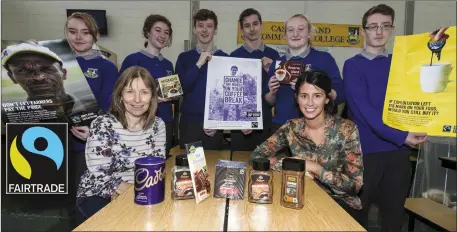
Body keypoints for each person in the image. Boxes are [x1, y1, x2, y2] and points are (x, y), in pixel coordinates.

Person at [342, 4, 430, 231]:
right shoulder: (352, 66)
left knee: (393, 217)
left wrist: (436, 45)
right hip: (365, 153)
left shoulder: (401, 64)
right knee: (356, 216)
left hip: (398, 154)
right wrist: (402, 137)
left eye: (385, 26)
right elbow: (364, 111)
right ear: (363, 31)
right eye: (373, 26)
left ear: (392, 29)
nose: (379, 31)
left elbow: (421, 94)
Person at [250, 70, 363, 223]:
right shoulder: (291, 128)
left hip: (339, 205)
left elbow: (355, 186)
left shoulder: (347, 130)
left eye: (317, 96)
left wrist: (314, 168)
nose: (310, 103)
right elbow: (257, 156)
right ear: (297, 99)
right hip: (299, 199)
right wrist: (291, 165)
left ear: (327, 99)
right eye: (304, 96)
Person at [75, 66, 166, 226]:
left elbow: (156, 167)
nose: (137, 100)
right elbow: (100, 175)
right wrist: (134, 193)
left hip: (139, 192)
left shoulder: (158, 125)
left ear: (152, 96)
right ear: (120, 96)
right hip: (98, 193)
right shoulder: (103, 124)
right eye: (130, 92)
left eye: (144, 92)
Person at [64, 11, 119, 218]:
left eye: (85, 33)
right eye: (72, 32)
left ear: (95, 36)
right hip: (55, 141)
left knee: (85, 199)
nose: (78, 37)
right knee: (61, 198)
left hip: (85, 144)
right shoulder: (55, 63)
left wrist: (93, 132)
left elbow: (108, 108)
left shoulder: (106, 66)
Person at [265, 14, 345, 135]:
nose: (295, 34)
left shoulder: (324, 59)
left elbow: (340, 96)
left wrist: (312, 86)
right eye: (290, 30)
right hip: (281, 127)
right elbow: (269, 102)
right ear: (285, 35)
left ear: (309, 34)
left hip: (316, 129)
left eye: (301, 29)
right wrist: (272, 92)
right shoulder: (276, 64)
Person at [119, 14, 176, 156]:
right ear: (147, 32)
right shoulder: (133, 60)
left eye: (166, 32)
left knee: (162, 165)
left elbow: (173, 93)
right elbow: (120, 92)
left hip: (165, 121)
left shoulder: (168, 64)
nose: (162, 35)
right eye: (158, 30)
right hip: (139, 122)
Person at [175, 9, 228, 150]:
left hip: (214, 124)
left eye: (209, 26)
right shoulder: (184, 58)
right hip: (189, 123)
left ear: (215, 30)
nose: (204, 30)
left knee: (211, 167)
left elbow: (228, 96)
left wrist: (218, 123)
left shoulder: (225, 58)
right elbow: (181, 89)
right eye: (200, 25)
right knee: (188, 170)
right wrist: (199, 63)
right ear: (194, 29)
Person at [229, 8, 280, 151]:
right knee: (239, 169)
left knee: (265, 169)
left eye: (255, 24)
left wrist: (270, 70)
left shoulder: (274, 55)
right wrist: (240, 121)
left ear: (261, 25)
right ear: (241, 30)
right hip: (241, 125)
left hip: (267, 122)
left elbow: (278, 92)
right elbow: (231, 94)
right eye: (247, 26)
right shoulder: (233, 56)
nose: (252, 29)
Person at [1, 41, 86, 119]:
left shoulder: (93, 104)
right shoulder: (9, 118)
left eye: (47, 69)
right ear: (12, 77)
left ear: (64, 73)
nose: (39, 78)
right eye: (23, 71)